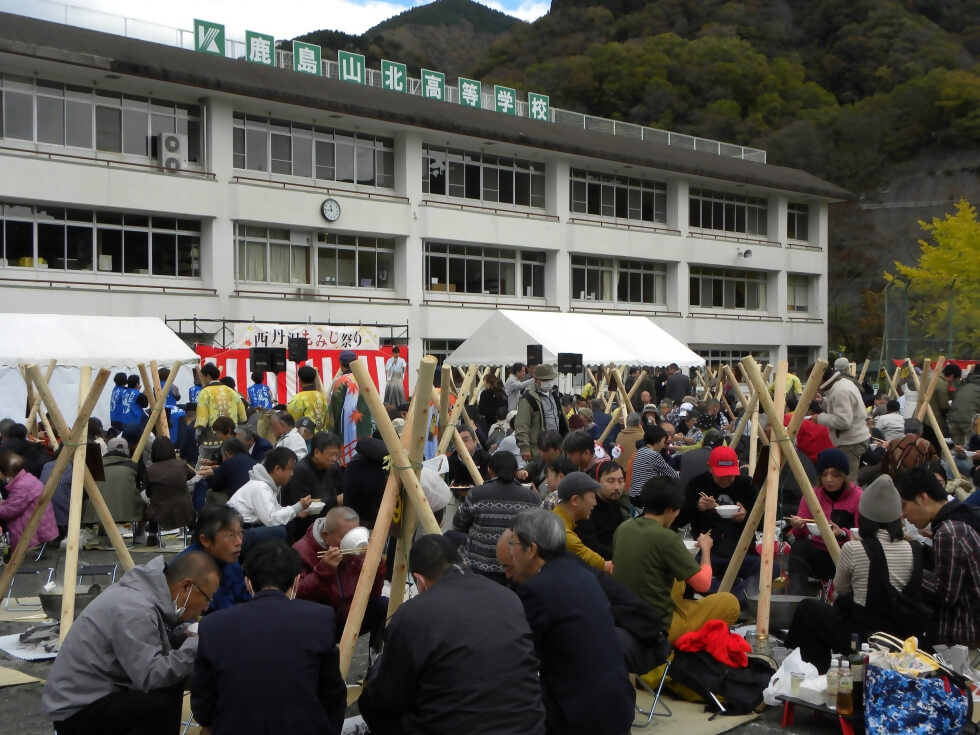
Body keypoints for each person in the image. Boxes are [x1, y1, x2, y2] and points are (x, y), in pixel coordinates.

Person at [359, 534, 546, 735]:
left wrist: (377, 669)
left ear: (420, 581)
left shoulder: (414, 613)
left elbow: (387, 697)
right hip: (529, 726)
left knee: (374, 704)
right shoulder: (508, 597)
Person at [42, 552, 219, 735]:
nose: (206, 607)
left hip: (97, 693)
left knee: (170, 685)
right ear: (187, 587)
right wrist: (194, 646)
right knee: (159, 702)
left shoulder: (144, 593)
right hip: (76, 709)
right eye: (208, 597)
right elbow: (152, 676)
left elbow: (147, 645)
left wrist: (179, 637)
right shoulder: (135, 608)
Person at [191, 541, 347, 735]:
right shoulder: (320, 618)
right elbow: (333, 693)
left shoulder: (213, 625)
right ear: (297, 581)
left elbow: (202, 704)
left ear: (248, 582)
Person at [507, 510, 634, 735]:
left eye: (513, 543)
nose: (511, 552)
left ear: (532, 549)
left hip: (577, 712)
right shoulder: (581, 574)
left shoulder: (537, 589)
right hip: (617, 700)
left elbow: (519, 654)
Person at [785, 475, 925, 670]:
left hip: (863, 638)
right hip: (902, 638)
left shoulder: (854, 548)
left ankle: (816, 674)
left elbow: (838, 591)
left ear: (865, 516)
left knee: (808, 610)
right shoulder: (915, 548)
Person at [613, 476, 739, 643]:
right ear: (671, 509)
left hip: (624, 618)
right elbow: (703, 584)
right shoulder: (667, 537)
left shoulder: (623, 528)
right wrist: (706, 550)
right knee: (730, 603)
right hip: (660, 626)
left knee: (675, 578)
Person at [896, 467, 980, 644]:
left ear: (923, 498)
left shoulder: (948, 532)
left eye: (904, 505)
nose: (903, 514)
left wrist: (905, 569)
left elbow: (946, 595)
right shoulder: (959, 518)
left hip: (963, 634)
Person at [294, 506, 386, 652]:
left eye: (355, 534)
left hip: (350, 616)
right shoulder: (302, 551)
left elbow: (374, 594)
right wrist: (324, 571)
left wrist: (377, 566)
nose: (353, 541)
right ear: (325, 536)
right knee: (322, 616)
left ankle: (374, 655)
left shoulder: (357, 549)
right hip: (319, 623)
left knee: (382, 605)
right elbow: (297, 597)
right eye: (345, 537)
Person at [453, 451, 541, 583]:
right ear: (516, 471)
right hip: (516, 569)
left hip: (479, 567)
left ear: (490, 470)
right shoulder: (532, 498)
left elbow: (459, 523)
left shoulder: (477, 494)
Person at [786, 448, 862, 594]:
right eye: (824, 474)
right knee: (799, 547)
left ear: (844, 476)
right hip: (819, 550)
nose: (829, 479)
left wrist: (843, 534)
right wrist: (798, 526)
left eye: (835, 475)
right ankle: (796, 597)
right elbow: (799, 534)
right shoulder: (813, 495)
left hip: (846, 554)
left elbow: (862, 533)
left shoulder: (857, 496)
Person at [683, 445, 760, 584]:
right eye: (721, 475)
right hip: (707, 553)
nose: (725, 479)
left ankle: (739, 592)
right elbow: (679, 519)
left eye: (730, 475)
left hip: (741, 552)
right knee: (688, 571)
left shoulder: (746, 485)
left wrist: (747, 516)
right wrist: (697, 506)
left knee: (769, 569)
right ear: (710, 468)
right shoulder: (697, 484)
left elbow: (764, 522)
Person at [227, 447, 310, 543]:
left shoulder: (267, 485)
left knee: (289, 523)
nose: (292, 474)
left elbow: (274, 510)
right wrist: (298, 507)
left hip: (246, 527)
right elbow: (271, 520)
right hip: (237, 532)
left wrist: (296, 512)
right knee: (279, 531)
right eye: (290, 469)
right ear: (277, 469)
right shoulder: (260, 487)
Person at [177, 504, 250, 612]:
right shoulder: (188, 569)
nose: (239, 542)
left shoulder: (230, 560)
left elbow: (244, 598)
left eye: (240, 533)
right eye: (230, 535)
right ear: (205, 540)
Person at [815, 360, 870, 482]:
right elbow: (843, 409)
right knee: (846, 481)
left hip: (851, 442)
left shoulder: (839, 390)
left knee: (848, 484)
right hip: (853, 439)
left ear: (820, 379)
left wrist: (818, 418)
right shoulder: (843, 384)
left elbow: (843, 421)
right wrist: (823, 402)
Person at [282, 431, 343, 542]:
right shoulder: (300, 471)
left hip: (328, 524)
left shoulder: (333, 468)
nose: (334, 459)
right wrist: (335, 501)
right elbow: (303, 507)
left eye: (336, 455)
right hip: (303, 530)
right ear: (317, 452)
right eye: (331, 454)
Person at [551, 473, 612, 573]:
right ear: (575, 500)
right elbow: (604, 567)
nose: (595, 503)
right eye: (592, 497)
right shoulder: (565, 536)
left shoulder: (555, 520)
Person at [81, 436, 143, 531]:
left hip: (97, 514)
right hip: (129, 512)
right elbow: (139, 488)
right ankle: (139, 534)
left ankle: (93, 532)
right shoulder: (133, 466)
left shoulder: (95, 466)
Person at [0, 451, 58, 550]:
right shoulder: (27, 479)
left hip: (31, 533)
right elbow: (18, 503)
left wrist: (3, 505)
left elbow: (10, 511)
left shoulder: (20, 487)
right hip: (42, 526)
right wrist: (4, 503)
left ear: (6, 472)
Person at [328, 350, 375, 464]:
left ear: (341, 364)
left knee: (347, 463)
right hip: (365, 427)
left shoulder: (340, 382)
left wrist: (331, 431)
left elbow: (334, 411)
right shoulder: (365, 379)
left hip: (345, 433)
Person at [575, 460, 629, 560]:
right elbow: (590, 546)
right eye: (611, 481)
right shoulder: (587, 508)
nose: (617, 487)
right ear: (596, 482)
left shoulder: (615, 503)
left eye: (621, 481)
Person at [515, 364, 568, 463]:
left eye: (550, 379)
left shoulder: (554, 395)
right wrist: (525, 448)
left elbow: (561, 419)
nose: (548, 382)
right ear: (537, 379)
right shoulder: (528, 398)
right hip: (539, 447)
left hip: (557, 445)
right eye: (545, 380)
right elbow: (521, 426)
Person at [195, 363, 247, 459]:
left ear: (208, 376)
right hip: (230, 435)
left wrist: (198, 430)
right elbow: (243, 415)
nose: (202, 380)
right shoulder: (231, 391)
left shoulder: (205, 392)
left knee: (205, 462)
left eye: (202, 377)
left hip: (211, 437)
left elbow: (202, 416)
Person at [145, 437, 196, 532]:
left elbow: (149, 493)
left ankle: (152, 535)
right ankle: (193, 531)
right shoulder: (181, 465)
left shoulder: (150, 470)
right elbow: (193, 474)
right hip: (184, 511)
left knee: (151, 506)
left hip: (159, 513)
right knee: (188, 502)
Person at [627, 424, 679, 507]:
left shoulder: (641, 450)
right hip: (643, 496)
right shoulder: (654, 454)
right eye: (663, 440)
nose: (664, 443)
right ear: (658, 439)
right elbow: (672, 474)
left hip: (634, 494)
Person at [199, 438, 257, 505]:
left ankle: (209, 514)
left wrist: (209, 477)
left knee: (210, 493)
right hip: (256, 502)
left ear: (227, 454)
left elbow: (215, 486)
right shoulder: (255, 462)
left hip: (239, 504)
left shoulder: (230, 462)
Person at [287, 365, 329, 432]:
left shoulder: (298, 398)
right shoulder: (321, 396)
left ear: (300, 380)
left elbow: (292, 419)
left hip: (306, 436)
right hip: (321, 436)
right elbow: (326, 417)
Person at [949, 367, 980, 446]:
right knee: (976, 447)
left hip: (953, 419)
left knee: (958, 449)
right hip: (971, 420)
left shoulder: (964, 383)